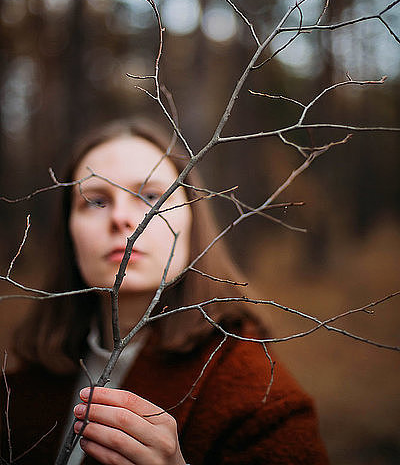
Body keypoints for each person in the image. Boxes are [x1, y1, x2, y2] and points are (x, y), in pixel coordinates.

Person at [1, 118, 330, 465]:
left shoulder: (259, 393)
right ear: (69, 233)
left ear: (192, 219)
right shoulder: (21, 386)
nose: (122, 218)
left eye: (152, 196)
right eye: (96, 201)